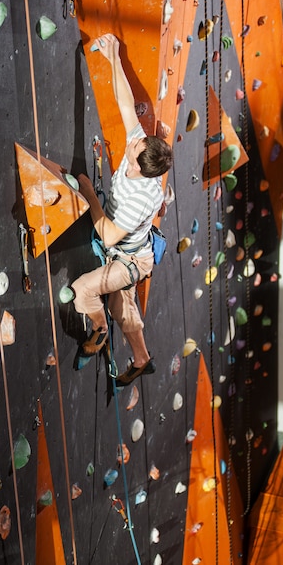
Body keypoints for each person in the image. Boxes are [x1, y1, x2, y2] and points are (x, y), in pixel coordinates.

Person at [71, 33, 173, 385]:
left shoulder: (141, 197)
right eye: (136, 144)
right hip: (131, 249)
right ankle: (142, 359)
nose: (130, 146)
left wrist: (90, 195)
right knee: (121, 306)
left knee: (85, 290)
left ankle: (98, 333)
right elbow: (126, 104)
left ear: (143, 171)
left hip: (129, 257)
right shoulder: (141, 147)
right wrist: (113, 56)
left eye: (132, 155)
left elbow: (109, 232)